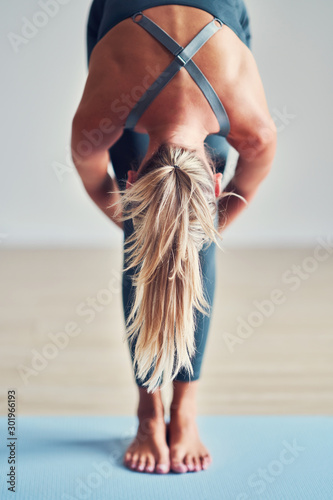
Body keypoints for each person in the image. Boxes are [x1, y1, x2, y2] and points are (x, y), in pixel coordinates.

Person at [71, 0, 277, 475]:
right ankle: (148, 410)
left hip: (220, 16)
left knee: (185, 239)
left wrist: (190, 239)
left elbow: (242, 191)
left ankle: (182, 408)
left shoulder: (251, 127)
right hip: (118, 15)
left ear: (218, 177)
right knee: (147, 236)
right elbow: (94, 182)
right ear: (132, 171)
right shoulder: (103, 114)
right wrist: (145, 235)